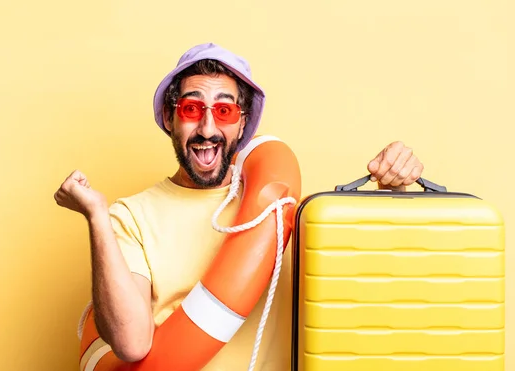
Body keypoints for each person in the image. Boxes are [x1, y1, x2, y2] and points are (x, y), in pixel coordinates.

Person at [54, 43, 424, 370]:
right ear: (170, 118)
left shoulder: (283, 210)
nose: (207, 128)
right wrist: (96, 215)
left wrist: (394, 187)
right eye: (191, 108)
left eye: (225, 111)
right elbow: (131, 343)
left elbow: (376, 286)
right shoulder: (130, 217)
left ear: (243, 123)